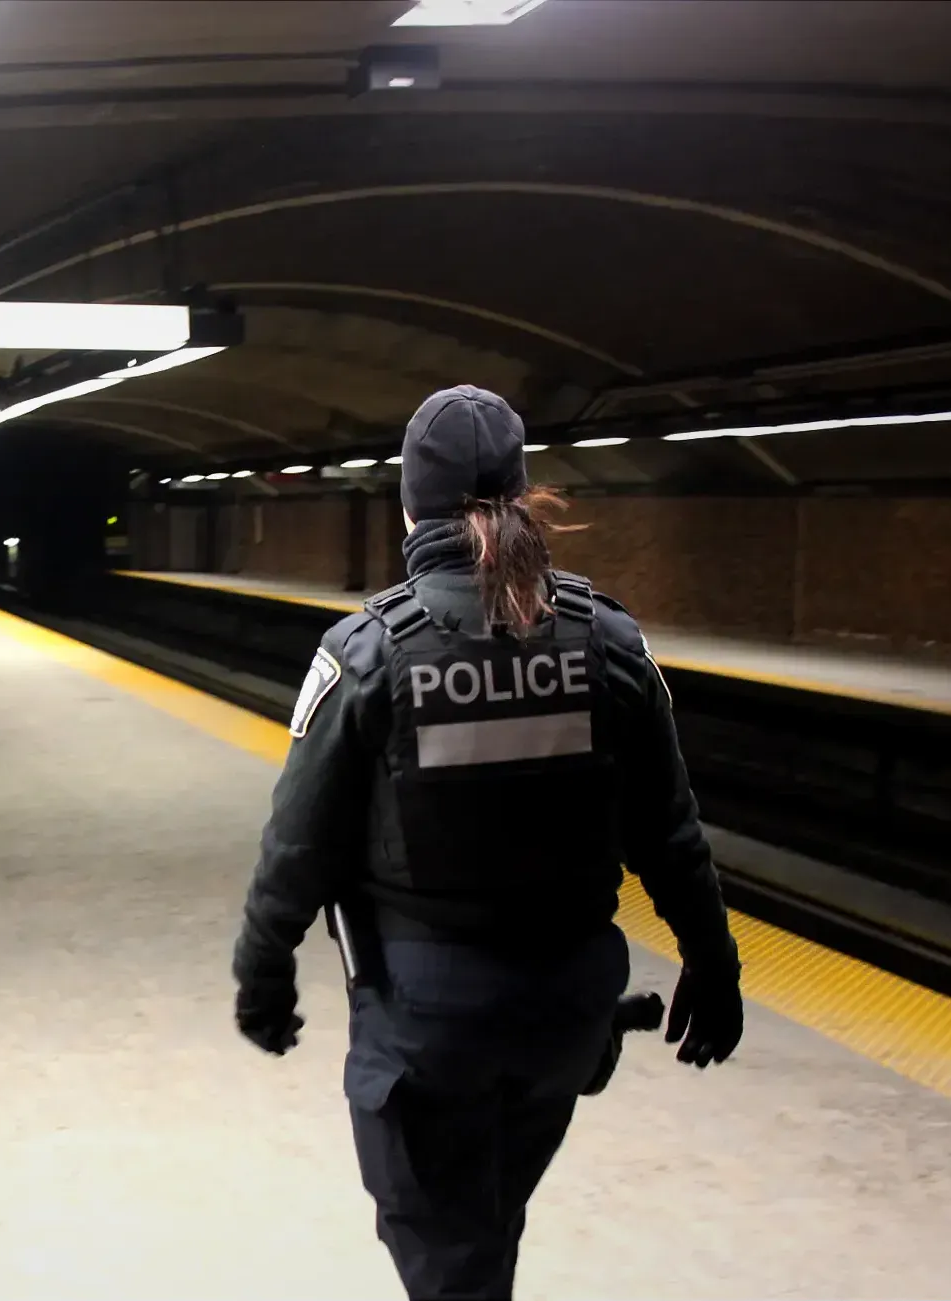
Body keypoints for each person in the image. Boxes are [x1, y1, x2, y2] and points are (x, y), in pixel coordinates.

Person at [230, 385, 744, 1300]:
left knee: (448, 1252)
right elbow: (668, 830)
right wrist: (713, 962)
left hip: (428, 1018)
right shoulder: (607, 641)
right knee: (487, 1220)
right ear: (520, 494)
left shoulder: (370, 653)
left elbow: (298, 844)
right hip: (567, 1010)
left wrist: (263, 972)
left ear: (407, 502)